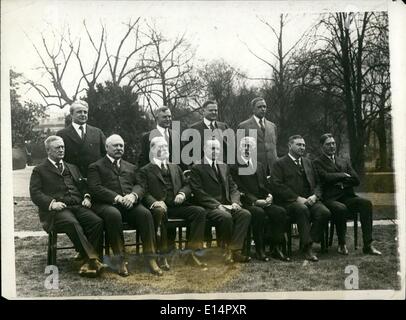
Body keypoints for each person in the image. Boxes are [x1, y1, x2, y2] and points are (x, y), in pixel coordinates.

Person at [29, 136, 105, 277]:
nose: (61, 149)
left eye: (63, 146)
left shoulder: (72, 167)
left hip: (78, 206)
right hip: (57, 211)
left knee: (96, 221)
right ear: (48, 150)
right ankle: (93, 259)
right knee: (72, 223)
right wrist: (52, 203)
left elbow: (83, 186)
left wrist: (87, 197)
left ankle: (89, 262)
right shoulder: (39, 170)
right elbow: (35, 193)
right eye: (57, 147)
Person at [87, 134, 161, 276]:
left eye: (121, 145)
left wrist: (133, 196)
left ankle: (151, 258)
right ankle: (120, 260)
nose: (119, 148)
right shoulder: (95, 167)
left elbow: (141, 185)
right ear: (106, 147)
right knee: (113, 215)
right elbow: (95, 188)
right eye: (115, 145)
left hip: (129, 204)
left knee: (145, 214)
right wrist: (117, 198)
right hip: (106, 205)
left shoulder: (131, 167)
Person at [137, 137, 208, 270]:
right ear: (152, 150)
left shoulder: (175, 167)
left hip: (176, 206)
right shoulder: (145, 170)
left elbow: (187, 185)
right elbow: (143, 192)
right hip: (158, 207)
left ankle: (191, 254)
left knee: (199, 212)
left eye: (165, 146)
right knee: (160, 212)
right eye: (160, 147)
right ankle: (162, 256)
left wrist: (182, 193)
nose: (164, 149)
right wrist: (155, 202)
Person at [313, 133, 381, 256]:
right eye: (328, 144)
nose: (332, 146)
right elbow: (325, 177)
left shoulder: (343, 160)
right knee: (341, 208)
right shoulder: (317, 162)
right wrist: (343, 175)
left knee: (366, 204)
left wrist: (343, 184)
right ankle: (342, 244)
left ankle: (368, 245)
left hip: (347, 196)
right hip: (330, 199)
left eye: (333, 143)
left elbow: (356, 179)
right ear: (322, 146)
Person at [190, 139, 251, 264]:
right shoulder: (197, 167)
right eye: (212, 148)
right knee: (226, 217)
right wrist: (217, 205)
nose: (215, 151)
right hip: (208, 207)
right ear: (204, 149)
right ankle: (225, 252)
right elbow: (198, 192)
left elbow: (233, 187)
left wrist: (235, 202)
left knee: (245, 214)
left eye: (217, 149)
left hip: (227, 205)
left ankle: (235, 251)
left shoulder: (223, 166)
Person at [270, 135, 331, 262]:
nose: (302, 147)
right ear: (290, 146)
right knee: (302, 209)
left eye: (303, 145)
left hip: (310, 199)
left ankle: (308, 241)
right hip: (289, 202)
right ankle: (308, 248)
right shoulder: (279, 163)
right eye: (298, 145)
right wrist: (296, 198)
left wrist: (315, 196)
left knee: (324, 212)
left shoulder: (308, 162)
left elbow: (319, 183)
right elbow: (277, 186)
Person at [231, 137, 289, 262]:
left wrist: (269, 195)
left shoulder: (259, 165)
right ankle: (259, 249)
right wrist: (255, 201)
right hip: (246, 202)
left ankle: (276, 248)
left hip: (263, 201)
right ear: (240, 148)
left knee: (280, 212)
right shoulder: (234, 166)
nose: (247, 149)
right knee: (258, 213)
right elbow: (238, 188)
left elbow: (266, 185)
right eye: (245, 146)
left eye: (250, 147)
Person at [57, 100, 106, 177]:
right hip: (72, 179)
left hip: (95, 178)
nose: (83, 114)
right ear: (71, 114)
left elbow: (106, 154)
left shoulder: (97, 132)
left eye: (85, 112)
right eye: (79, 112)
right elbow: (58, 159)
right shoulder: (62, 134)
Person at [237, 97, 278, 174]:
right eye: (259, 107)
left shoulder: (272, 126)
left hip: (272, 169)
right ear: (253, 109)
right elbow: (239, 151)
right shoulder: (243, 126)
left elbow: (274, 146)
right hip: (254, 170)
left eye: (264, 106)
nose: (263, 109)